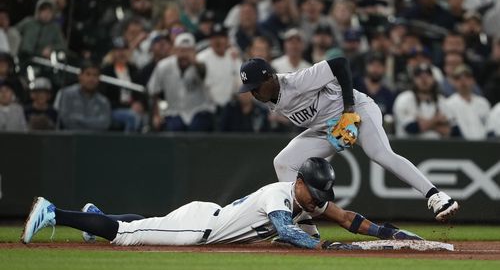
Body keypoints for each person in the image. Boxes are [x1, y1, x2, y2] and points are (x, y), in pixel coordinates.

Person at [237, 57, 459, 227]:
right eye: (250, 89)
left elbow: (341, 64)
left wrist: (349, 109)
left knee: (379, 153)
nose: (253, 93)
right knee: (284, 162)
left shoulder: (297, 81)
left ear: (270, 78)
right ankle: (304, 225)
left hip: (358, 112)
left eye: (256, 86)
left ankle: (437, 196)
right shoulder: (270, 97)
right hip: (327, 128)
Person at [21, 157, 422, 248]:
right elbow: (284, 231)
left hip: (206, 220)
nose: (318, 201)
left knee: (148, 225)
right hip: (201, 230)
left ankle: (96, 217)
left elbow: (349, 218)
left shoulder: (307, 199)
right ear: (300, 182)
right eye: (314, 193)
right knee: (129, 235)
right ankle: (53, 210)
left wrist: (394, 233)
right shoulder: (280, 193)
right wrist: (323, 244)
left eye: (321, 196)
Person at [147, 32, 215, 132]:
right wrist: (156, 115)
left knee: (197, 128)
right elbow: (153, 91)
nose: (184, 55)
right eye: (181, 50)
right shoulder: (164, 66)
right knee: (173, 129)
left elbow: (204, 74)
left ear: (194, 51)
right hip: (174, 111)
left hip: (199, 110)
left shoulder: (202, 64)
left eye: (188, 51)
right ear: (174, 50)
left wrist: (194, 62)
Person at [393, 63, 454, 139]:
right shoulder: (404, 98)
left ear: (434, 79)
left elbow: (451, 130)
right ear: (413, 79)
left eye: (428, 75)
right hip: (409, 147)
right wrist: (436, 120)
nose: (424, 79)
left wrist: (424, 123)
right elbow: (411, 128)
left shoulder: (441, 100)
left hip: (437, 147)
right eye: (419, 76)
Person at [54, 61, 111, 131]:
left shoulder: (103, 101)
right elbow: (66, 121)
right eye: (88, 74)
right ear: (80, 76)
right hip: (70, 139)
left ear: (99, 78)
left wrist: (78, 119)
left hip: (95, 140)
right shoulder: (66, 94)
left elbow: (104, 124)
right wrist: (93, 122)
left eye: (95, 75)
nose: (91, 79)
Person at [445, 64, 490, 140]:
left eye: (467, 77)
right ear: (453, 82)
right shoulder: (448, 104)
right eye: (458, 78)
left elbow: (489, 127)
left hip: (483, 145)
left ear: (473, 80)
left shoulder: (483, 103)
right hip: (461, 147)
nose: (463, 81)